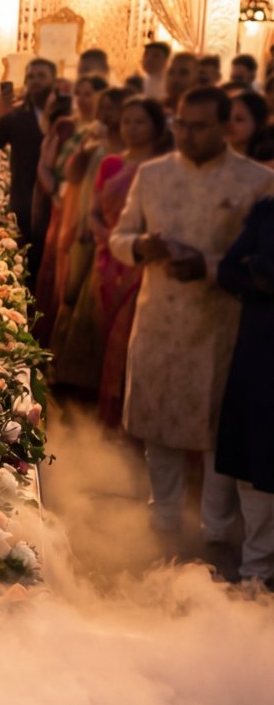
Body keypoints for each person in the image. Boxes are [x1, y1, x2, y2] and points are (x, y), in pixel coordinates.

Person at [108, 86, 274, 554]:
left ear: (225, 128)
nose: (187, 134)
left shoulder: (255, 181)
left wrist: (209, 266)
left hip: (222, 325)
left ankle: (216, 529)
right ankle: (162, 516)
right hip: (159, 316)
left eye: (200, 126)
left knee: (217, 430)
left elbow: (263, 263)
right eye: (181, 124)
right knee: (158, 420)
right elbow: (120, 236)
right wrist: (142, 247)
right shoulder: (154, 174)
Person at [91, 96, 164, 429]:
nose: (132, 128)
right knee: (111, 341)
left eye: (140, 121)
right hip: (109, 261)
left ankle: (137, 419)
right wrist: (112, 243)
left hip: (146, 264)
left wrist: (135, 249)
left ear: (156, 126)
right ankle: (112, 417)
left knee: (133, 339)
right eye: (127, 121)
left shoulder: (164, 170)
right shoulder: (110, 164)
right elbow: (93, 212)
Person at [212, 196, 274, 587]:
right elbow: (228, 270)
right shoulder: (268, 212)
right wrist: (259, 276)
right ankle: (257, 571)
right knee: (259, 458)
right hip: (262, 352)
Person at [48, 86, 124, 393]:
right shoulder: (94, 142)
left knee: (97, 303)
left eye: (112, 108)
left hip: (112, 234)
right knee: (73, 292)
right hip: (83, 224)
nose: (105, 113)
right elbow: (74, 177)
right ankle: (67, 370)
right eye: (102, 106)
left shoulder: (132, 153)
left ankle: (92, 378)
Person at [0, 57, 56, 278]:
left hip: (57, 197)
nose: (35, 81)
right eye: (31, 76)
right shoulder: (16, 115)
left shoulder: (66, 114)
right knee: (28, 258)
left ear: (53, 79)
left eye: (41, 76)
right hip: (24, 196)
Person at [227, 88, 273, 164]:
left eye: (239, 119)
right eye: (226, 118)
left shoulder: (267, 167)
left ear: (257, 122)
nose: (229, 124)